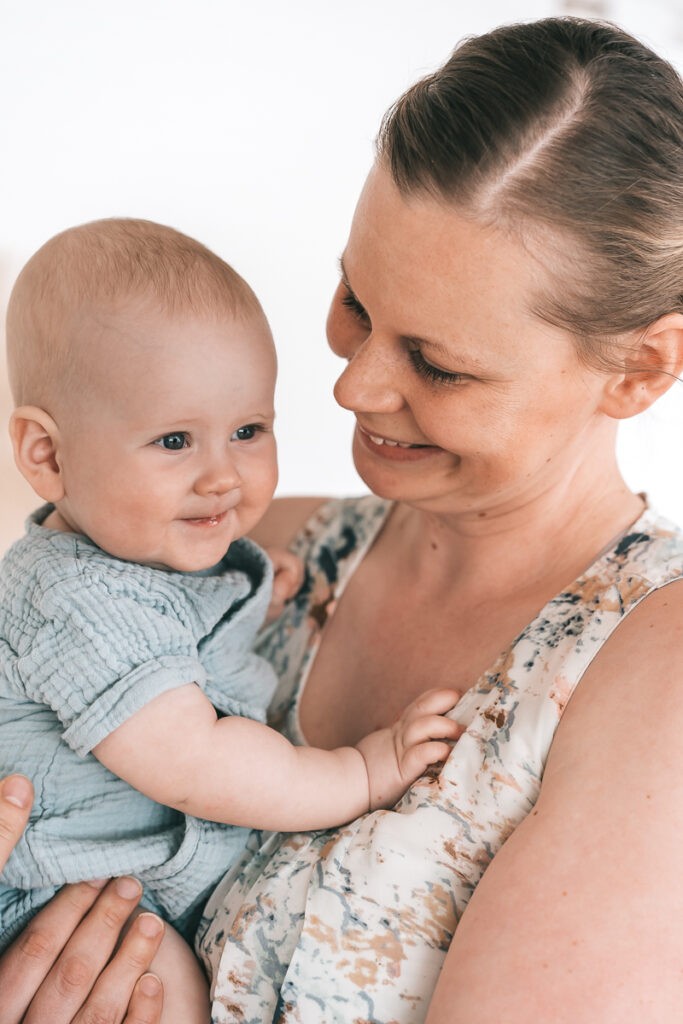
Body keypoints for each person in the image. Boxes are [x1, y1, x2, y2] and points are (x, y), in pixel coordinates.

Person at [3, 13, 683, 1023]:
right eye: (355, 299)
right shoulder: (251, 546)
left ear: (636, 370)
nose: (353, 387)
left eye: (437, 363)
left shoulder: (649, 669)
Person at [0, 220, 460, 1022]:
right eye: (174, 440)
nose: (222, 476)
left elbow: (178, 633)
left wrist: (247, 595)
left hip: (118, 892)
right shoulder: (77, 600)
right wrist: (359, 771)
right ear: (47, 456)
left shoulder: (151, 559)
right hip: (53, 909)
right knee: (163, 986)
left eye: (248, 430)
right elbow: (195, 756)